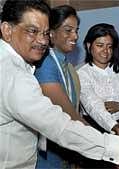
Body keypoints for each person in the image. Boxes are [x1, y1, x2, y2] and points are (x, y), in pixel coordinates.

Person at [0, 0, 119, 168]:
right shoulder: (12, 73)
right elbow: (58, 124)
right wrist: (118, 149)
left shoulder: (19, 66)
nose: (42, 40)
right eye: (33, 31)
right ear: (7, 30)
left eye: (44, 33)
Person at [34, 5, 88, 168]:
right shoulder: (46, 64)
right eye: (68, 30)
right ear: (51, 33)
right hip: (49, 156)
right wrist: (110, 145)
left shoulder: (68, 66)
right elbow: (68, 115)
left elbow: (75, 108)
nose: (75, 36)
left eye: (76, 30)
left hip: (67, 150)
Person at [78, 23, 119, 137]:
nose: (105, 51)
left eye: (109, 46)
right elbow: (93, 105)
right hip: (97, 130)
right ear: (88, 46)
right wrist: (113, 126)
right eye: (100, 45)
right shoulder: (82, 74)